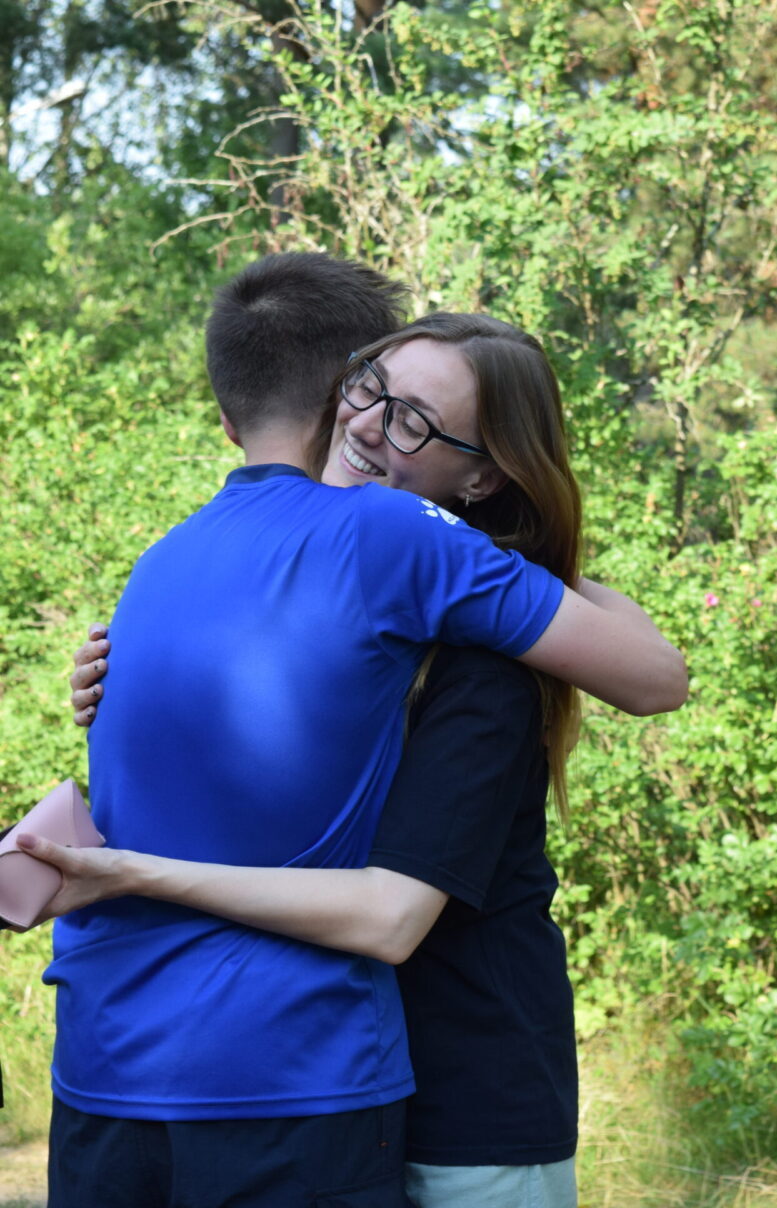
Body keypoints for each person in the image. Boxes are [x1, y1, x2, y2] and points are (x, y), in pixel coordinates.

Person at [28, 262, 687, 1208]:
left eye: (414, 420)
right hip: (297, 1074)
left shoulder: (398, 571)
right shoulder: (264, 560)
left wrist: (472, 550)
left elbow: (658, 679)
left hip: (463, 1089)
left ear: (484, 476)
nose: (371, 424)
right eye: (368, 387)